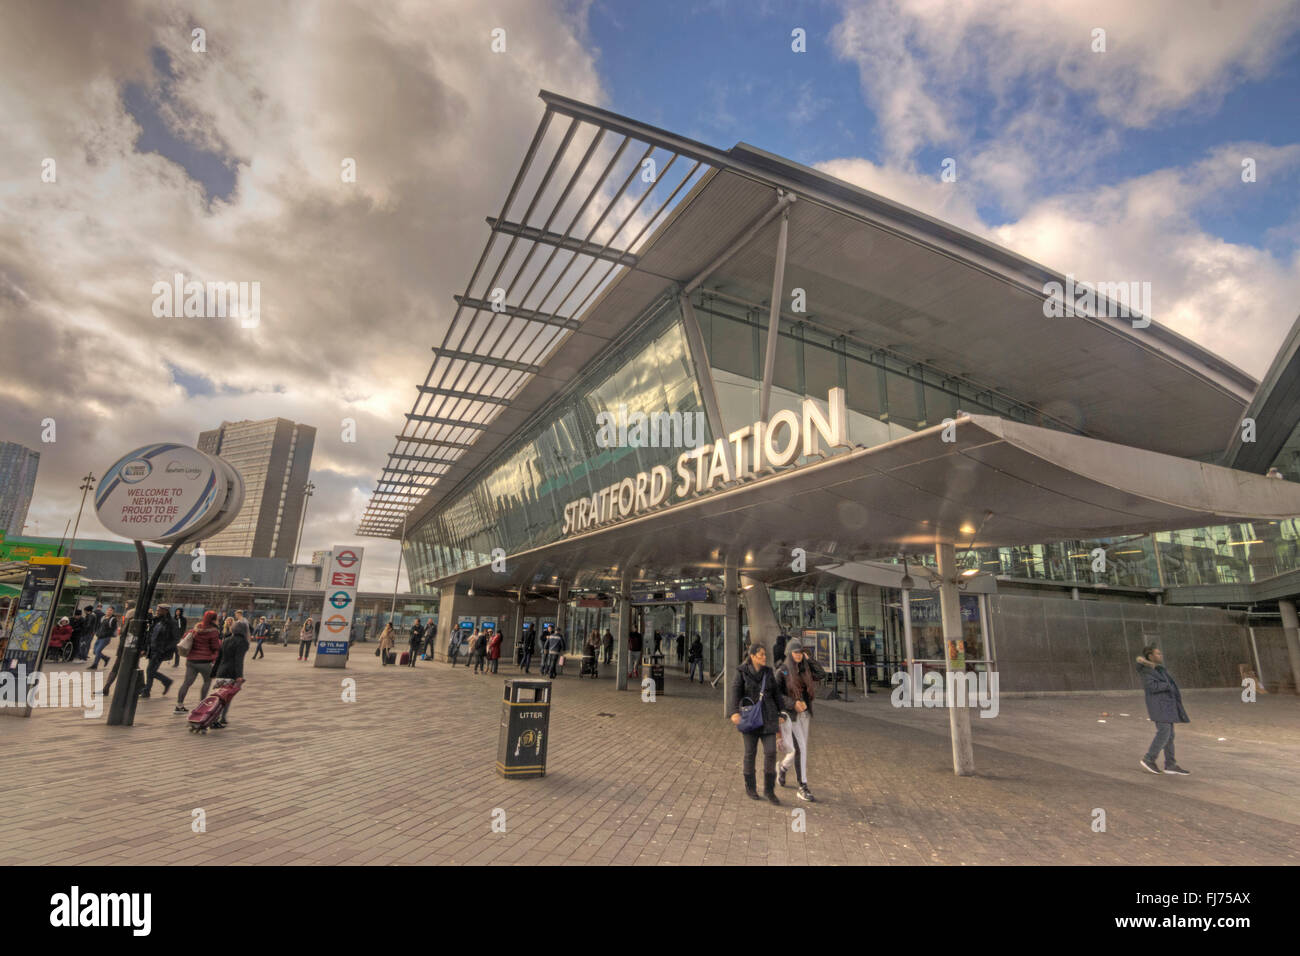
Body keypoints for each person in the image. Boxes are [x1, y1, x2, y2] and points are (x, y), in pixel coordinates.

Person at [729, 644, 783, 804]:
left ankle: (769, 789)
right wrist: (734, 712)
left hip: (768, 717)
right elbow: (735, 692)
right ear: (752, 656)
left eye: (765, 654)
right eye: (761, 655)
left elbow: (776, 694)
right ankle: (750, 787)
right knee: (750, 753)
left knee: (771, 752)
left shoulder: (768, 672)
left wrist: (782, 712)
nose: (764, 657)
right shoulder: (742, 672)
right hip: (750, 719)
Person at [775, 638, 826, 802]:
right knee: (801, 748)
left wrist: (809, 659)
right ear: (789, 653)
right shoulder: (783, 671)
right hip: (792, 716)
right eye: (795, 652)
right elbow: (776, 695)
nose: (798, 655)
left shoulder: (806, 668)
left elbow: (821, 674)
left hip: (805, 714)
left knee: (799, 749)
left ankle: (782, 768)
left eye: (800, 652)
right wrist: (792, 703)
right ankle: (802, 786)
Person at [1137, 645, 1191, 775]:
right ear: (1150, 656)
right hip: (1159, 706)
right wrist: (1168, 685)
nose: (1161, 655)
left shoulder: (1159, 669)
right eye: (1158, 654)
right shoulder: (1146, 671)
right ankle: (1149, 759)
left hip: (1166, 705)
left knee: (1170, 735)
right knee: (1164, 733)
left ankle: (1170, 764)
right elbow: (1151, 686)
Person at [174, 610, 222, 715]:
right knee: (207, 682)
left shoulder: (196, 628)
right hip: (205, 662)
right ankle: (201, 706)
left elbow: (185, 638)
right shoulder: (213, 631)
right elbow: (215, 647)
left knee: (186, 683)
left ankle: (179, 705)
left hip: (191, 660)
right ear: (213, 620)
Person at [209, 615, 249, 728]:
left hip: (221, 672)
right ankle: (219, 718)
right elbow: (238, 660)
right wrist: (239, 676)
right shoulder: (243, 643)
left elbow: (219, 658)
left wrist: (213, 672)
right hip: (231, 673)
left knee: (218, 697)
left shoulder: (226, 640)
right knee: (226, 698)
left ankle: (215, 717)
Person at [141, 602, 179, 699]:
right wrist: (145, 648)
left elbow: (175, 639)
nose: (157, 611)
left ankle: (147, 690)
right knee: (151, 670)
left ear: (165, 611)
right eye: (157, 610)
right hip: (152, 649)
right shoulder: (156, 620)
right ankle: (163, 683)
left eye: (159, 610)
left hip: (160, 651)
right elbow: (150, 634)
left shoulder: (171, 622)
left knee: (150, 670)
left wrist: (164, 649)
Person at [87, 605, 118, 670]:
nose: (109, 611)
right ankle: (106, 658)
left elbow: (112, 630)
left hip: (105, 638)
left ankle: (95, 665)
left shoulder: (113, 619)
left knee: (98, 651)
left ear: (113, 612)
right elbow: (99, 626)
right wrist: (97, 633)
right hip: (99, 636)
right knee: (95, 651)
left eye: (110, 610)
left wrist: (105, 634)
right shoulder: (103, 617)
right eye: (108, 610)